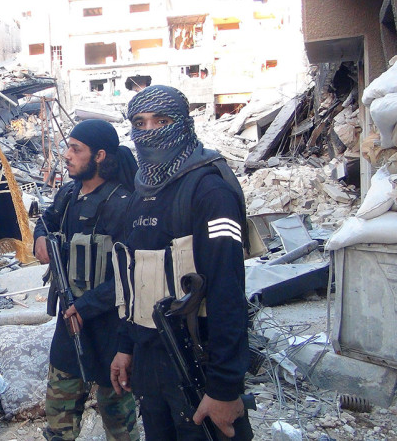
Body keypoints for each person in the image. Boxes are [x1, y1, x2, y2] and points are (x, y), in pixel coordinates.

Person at [109, 85, 253, 440]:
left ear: (184, 124)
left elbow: (227, 292)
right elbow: (134, 281)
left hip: (197, 366)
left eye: (162, 121)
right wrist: (126, 347)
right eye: (140, 123)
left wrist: (224, 388)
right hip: (149, 367)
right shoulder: (139, 194)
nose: (150, 131)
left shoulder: (209, 191)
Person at [34, 119, 140, 441]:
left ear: (99, 156)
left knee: (120, 425)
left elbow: (134, 274)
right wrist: (39, 237)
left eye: (75, 149)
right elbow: (46, 220)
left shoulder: (124, 205)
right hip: (69, 327)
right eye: (67, 146)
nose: (66, 155)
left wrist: (88, 305)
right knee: (59, 424)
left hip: (112, 331)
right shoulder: (68, 194)